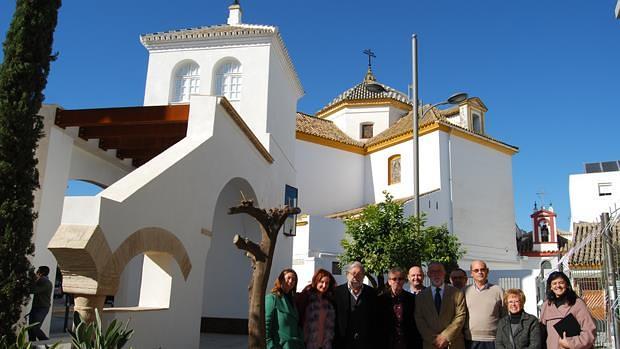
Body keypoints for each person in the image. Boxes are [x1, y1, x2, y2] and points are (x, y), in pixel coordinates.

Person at [415, 261, 466, 349]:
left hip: (453, 343)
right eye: (433, 272)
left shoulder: (457, 293)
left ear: (444, 273)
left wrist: (445, 337)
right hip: (431, 344)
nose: (436, 274)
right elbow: (419, 320)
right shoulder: (420, 296)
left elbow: (460, 316)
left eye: (439, 271)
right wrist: (434, 339)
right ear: (428, 274)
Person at [539, 271, 595, 349]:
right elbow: (542, 333)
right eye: (554, 283)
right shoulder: (546, 305)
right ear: (550, 287)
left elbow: (589, 331)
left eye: (561, 282)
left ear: (567, 284)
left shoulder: (577, 303)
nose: (558, 286)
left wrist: (570, 343)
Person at [334, 261, 378, 349]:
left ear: (363, 276)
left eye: (359, 274)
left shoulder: (372, 293)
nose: (356, 277)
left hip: (366, 343)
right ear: (347, 274)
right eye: (353, 274)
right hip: (343, 342)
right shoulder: (337, 292)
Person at [464, 260, 505, 349]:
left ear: (487, 271)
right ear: (471, 273)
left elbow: (504, 316)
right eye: (476, 270)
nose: (480, 272)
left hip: (492, 340)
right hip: (470, 340)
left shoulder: (498, 290)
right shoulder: (465, 291)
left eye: (482, 269)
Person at [378, 267, 422, 349]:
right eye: (394, 279)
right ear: (389, 281)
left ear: (404, 281)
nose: (397, 282)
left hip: (407, 343)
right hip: (387, 343)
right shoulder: (380, 300)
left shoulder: (412, 299)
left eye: (400, 279)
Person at [296, 268, 337, 349]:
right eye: (321, 282)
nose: (324, 285)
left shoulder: (330, 301)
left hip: (325, 344)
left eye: (327, 283)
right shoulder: (305, 297)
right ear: (316, 281)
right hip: (307, 344)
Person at [265, 268, 304, 349]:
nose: (291, 281)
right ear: (281, 280)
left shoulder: (293, 300)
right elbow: (266, 325)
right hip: (279, 345)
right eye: (288, 278)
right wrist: (269, 345)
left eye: (293, 280)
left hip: (295, 345)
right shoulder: (272, 298)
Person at [29, 266, 53, 341]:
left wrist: (34, 280)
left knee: (35, 327)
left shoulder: (46, 282)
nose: (36, 273)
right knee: (30, 329)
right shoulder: (41, 281)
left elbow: (33, 290)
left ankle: (45, 342)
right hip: (36, 307)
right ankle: (32, 344)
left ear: (41, 273)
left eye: (37, 272)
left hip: (42, 308)